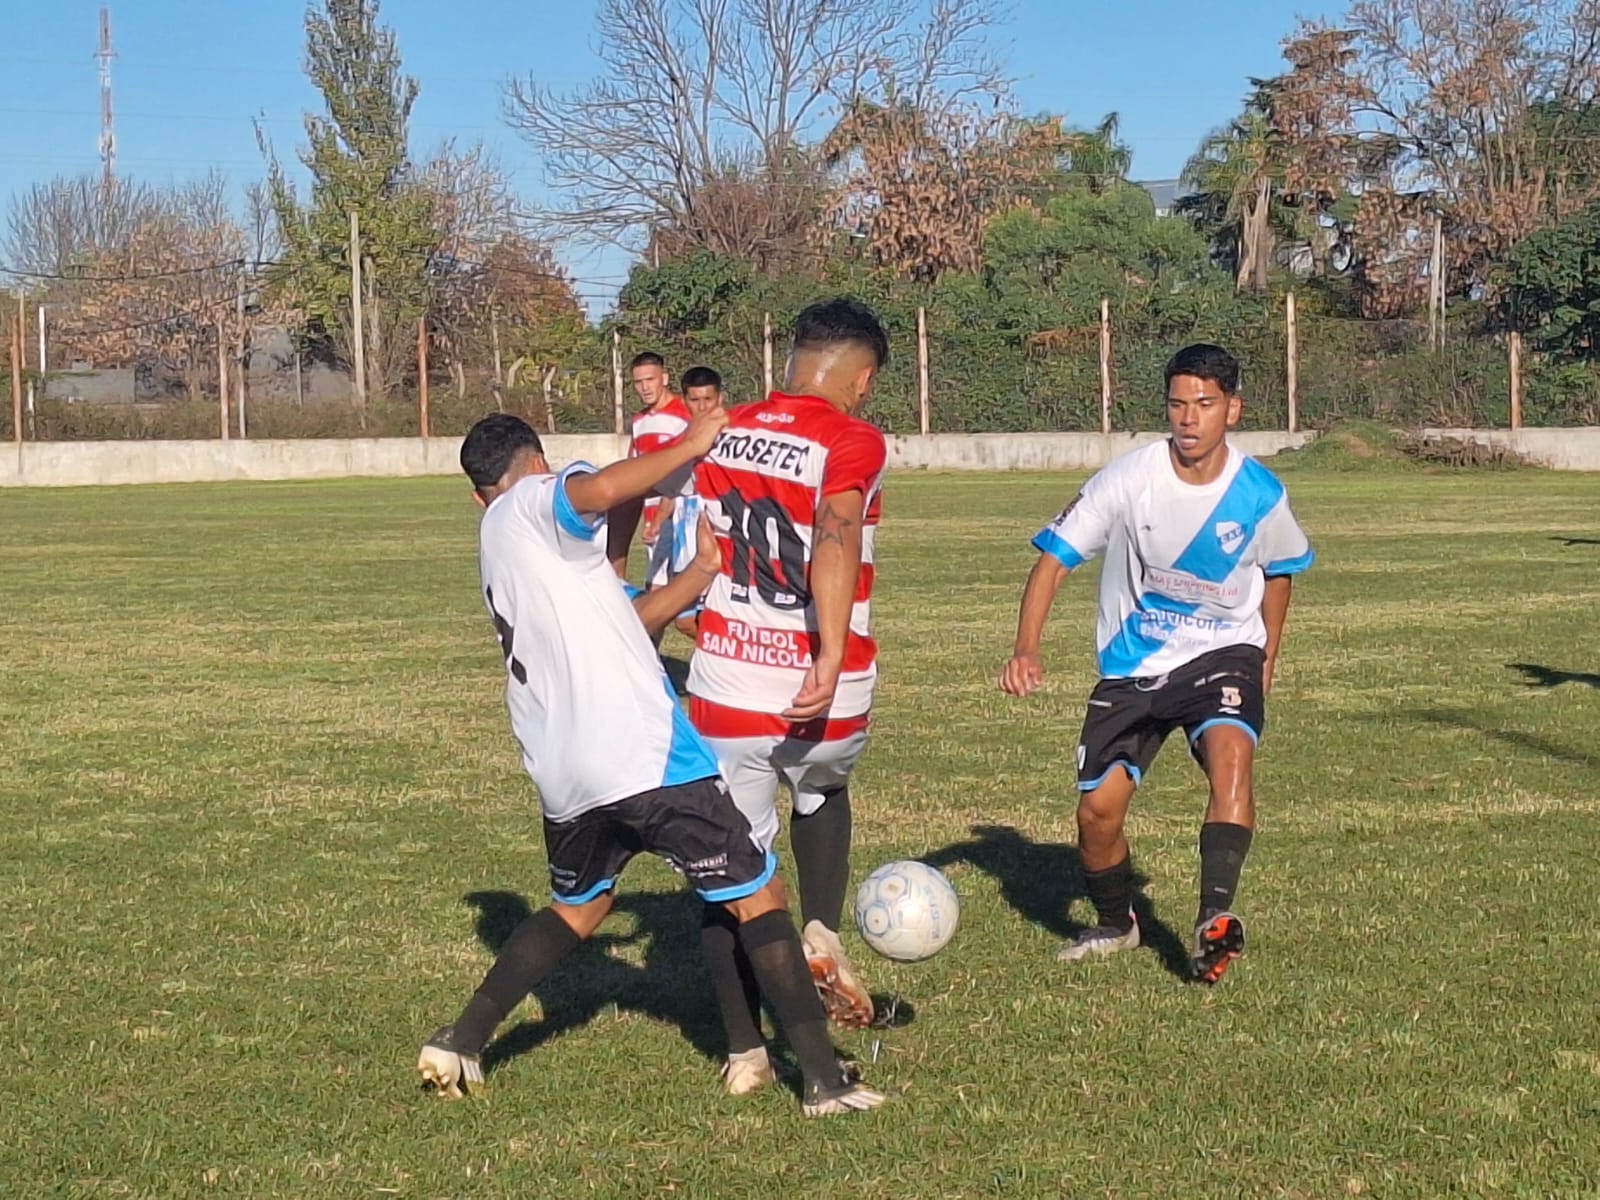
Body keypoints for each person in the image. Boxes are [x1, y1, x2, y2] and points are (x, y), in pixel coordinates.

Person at [417, 412, 884, 1117]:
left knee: (580, 907)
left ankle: (461, 1039)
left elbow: (630, 620)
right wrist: (691, 445)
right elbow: (600, 490)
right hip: (641, 752)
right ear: (536, 462)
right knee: (759, 894)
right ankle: (823, 1079)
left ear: (473, 495)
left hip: (563, 770)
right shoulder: (535, 497)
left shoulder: (508, 547)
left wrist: (700, 571)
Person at [998, 343, 1313, 985]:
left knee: (1231, 759)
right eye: (1178, 404)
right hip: (1133, 666)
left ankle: (1212, 919)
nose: (1189, 418)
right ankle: (1118, 923)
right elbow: (1053, 560)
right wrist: (1026, 646)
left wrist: (1266, 656)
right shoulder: (1129, 479)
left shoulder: (1258, 493)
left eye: (1205, 404)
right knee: (1097, 814)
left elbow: (1280, 572)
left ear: (1232, 409)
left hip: (1224, 652)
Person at [688, 298, 888, 1092]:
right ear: (862, 380)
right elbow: (835, 531)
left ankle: (745, 1051)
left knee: (730, 872)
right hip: (820, 690)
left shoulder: (724, 428)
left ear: (794, 358)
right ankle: (821, 928)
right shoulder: (851, 438)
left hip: (725, 684)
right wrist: (829, 654)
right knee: (822, 789)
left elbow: (693, 538)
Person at [641, 365, 726, 642]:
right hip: (685, 532)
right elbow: (674, 487)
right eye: (694, 400)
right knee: (684, 618)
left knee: (697, 616)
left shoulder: (733, 439)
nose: (702, 407)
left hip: (719, 536)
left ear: (720, 398)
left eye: (708, 399)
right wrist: (657, 521)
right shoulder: (684, 441)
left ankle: (720, 660)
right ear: (685, 400)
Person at [609, 351, 689, 574]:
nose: (644, 387)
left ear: (665, 378)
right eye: (638, 382)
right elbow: (634, 473)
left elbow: (683, 473)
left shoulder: (686, 414)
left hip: (682, 517)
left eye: (650, 379)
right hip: (652, 520)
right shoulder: (639, 421)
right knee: (657, 587)